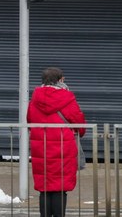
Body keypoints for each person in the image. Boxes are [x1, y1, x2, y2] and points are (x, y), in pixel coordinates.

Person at [27, 67, 86, 217]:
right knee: (60, 187)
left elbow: (29, 120)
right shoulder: (67, 98)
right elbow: (79, 122)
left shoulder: (34, 99)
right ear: (60, 80)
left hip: (41, 148)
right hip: (63, 147)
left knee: (44, 187)